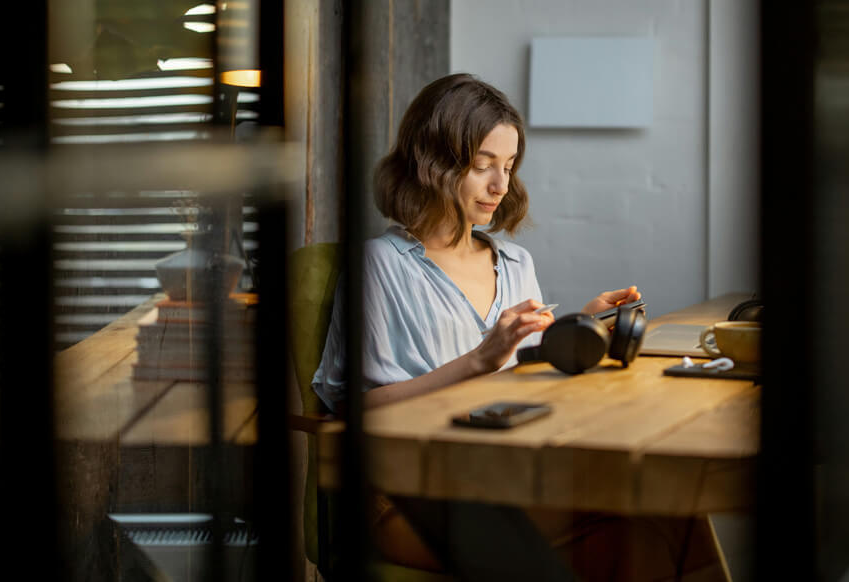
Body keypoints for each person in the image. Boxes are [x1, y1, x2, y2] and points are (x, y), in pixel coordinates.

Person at [309, 73, 723, 580]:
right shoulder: (380, 266)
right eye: (483, 166)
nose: (500, 186)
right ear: (431, 161)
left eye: (507, 166)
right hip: (407, 492)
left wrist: (579, 331)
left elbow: (519, 377)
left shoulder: (515, 261)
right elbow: (351, 410)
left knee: (670, 508)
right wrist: (478, 361)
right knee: (641, 524)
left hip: (502, 470)